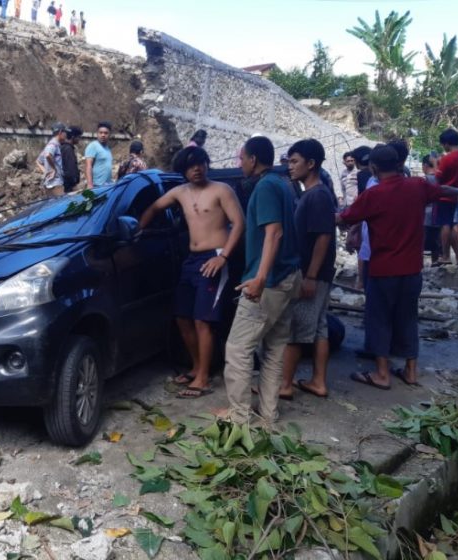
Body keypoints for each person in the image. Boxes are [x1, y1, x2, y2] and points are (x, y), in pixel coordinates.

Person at [338, 146, 458, 389]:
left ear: (374, 168)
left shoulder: (374, 194)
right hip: (412, 270)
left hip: (383, 269)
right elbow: (441, 189)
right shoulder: (418, 186)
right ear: (400, 164)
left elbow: (344, 217)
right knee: (408, 319)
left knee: (379, 319)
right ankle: (411, 370)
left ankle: (382, 374)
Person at [139, 147, 245, 398]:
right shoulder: (179, 192)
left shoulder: (222, 190)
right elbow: (154, 208)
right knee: (182, 317)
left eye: (200, 163)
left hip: (214, 257)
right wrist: (138, 231)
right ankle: (197, 366)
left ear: (207, 164)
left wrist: (223, 257)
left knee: (202, 319)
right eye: (190, 166)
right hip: (191, 259)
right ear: (183, 170)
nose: (197, 169)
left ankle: (203, 378)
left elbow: (239, 223)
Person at [216, 136, 301, 425]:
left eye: (241, 158)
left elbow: (274, 233)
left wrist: (260, 278)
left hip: (270, 282)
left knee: (238, 349)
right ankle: (268, 413)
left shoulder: (265, 187)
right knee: (275, 348)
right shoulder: (283, 183)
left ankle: (239, 417)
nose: (239, 164)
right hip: (289, 277)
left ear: (253, 159)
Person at [279, 139, 336, 400]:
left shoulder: (317, 195)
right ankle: (318, 382)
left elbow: (323, 237)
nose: (290, 167)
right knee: (319, 328)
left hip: (313, 273)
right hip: (319, 273)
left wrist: (310, 276)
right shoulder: (311, 194)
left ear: (311, 164)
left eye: (294, 161)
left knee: (295, 329)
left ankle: (284, 385)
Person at [434, 128, 458, 265]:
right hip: (456, 195)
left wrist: (435, 164)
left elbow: (438, 178)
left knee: (445, 225)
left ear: (446, 143)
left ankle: (445, 256)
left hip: (444, 195)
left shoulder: (446, 159)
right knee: (452, 225)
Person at [36, 123, 67, 197]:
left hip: (50, 184)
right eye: (65, 132)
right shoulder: (53, 144)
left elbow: (38, 161)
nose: (66, 134)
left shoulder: (51, 144)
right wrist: (54, 169)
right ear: (60, 132)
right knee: (60, 206)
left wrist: (45, 171)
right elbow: (48, 155)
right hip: (55, 183)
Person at [422, 155, 441, 266]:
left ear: (424, 166)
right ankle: (435, 264)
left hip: (425, 216)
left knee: (420, 243)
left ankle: (420, 266)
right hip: (438, 215)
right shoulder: (441, 178)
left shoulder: (425, 179)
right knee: (436, 244)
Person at [84, 121, 113, 189]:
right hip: (96, 186)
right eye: (101, 133)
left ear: (109, 134)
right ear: (97, 133)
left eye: (106, 133)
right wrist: (90, 184)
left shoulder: (107, 149)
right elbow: (88, 166)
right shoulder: (93, 146)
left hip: (107, 186)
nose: (103, 135)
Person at [61, 126, 82, 193]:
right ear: (73, 137)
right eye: (78, 137)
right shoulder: (68, 150)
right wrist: (74, 183)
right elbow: (70, 169)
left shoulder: (64, 147)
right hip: (68, 186)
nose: (79, 139)